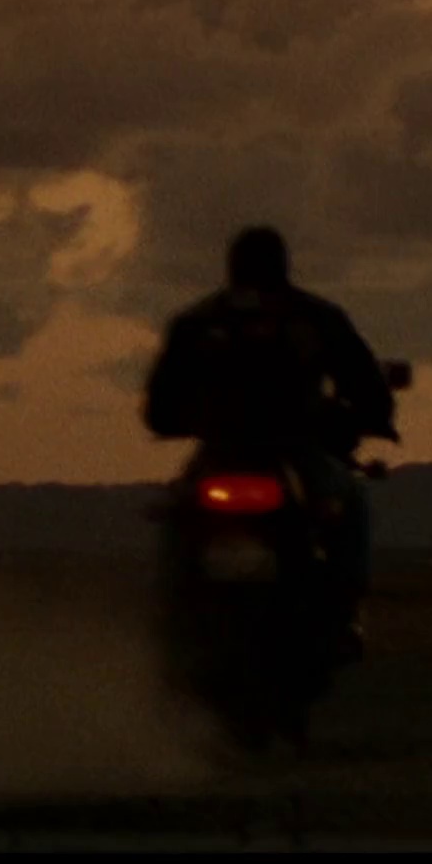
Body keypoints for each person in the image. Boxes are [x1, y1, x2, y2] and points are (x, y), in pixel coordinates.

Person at [145, 226, 397, 635]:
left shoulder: (198, 321)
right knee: (349, 502)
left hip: (225, 452)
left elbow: (160, 406)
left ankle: (171, 617)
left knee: (178, 510)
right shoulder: (316, 318)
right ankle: (344, 614)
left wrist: (179, 419)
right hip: (292, 449)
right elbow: (366, 385)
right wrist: (370, 416)